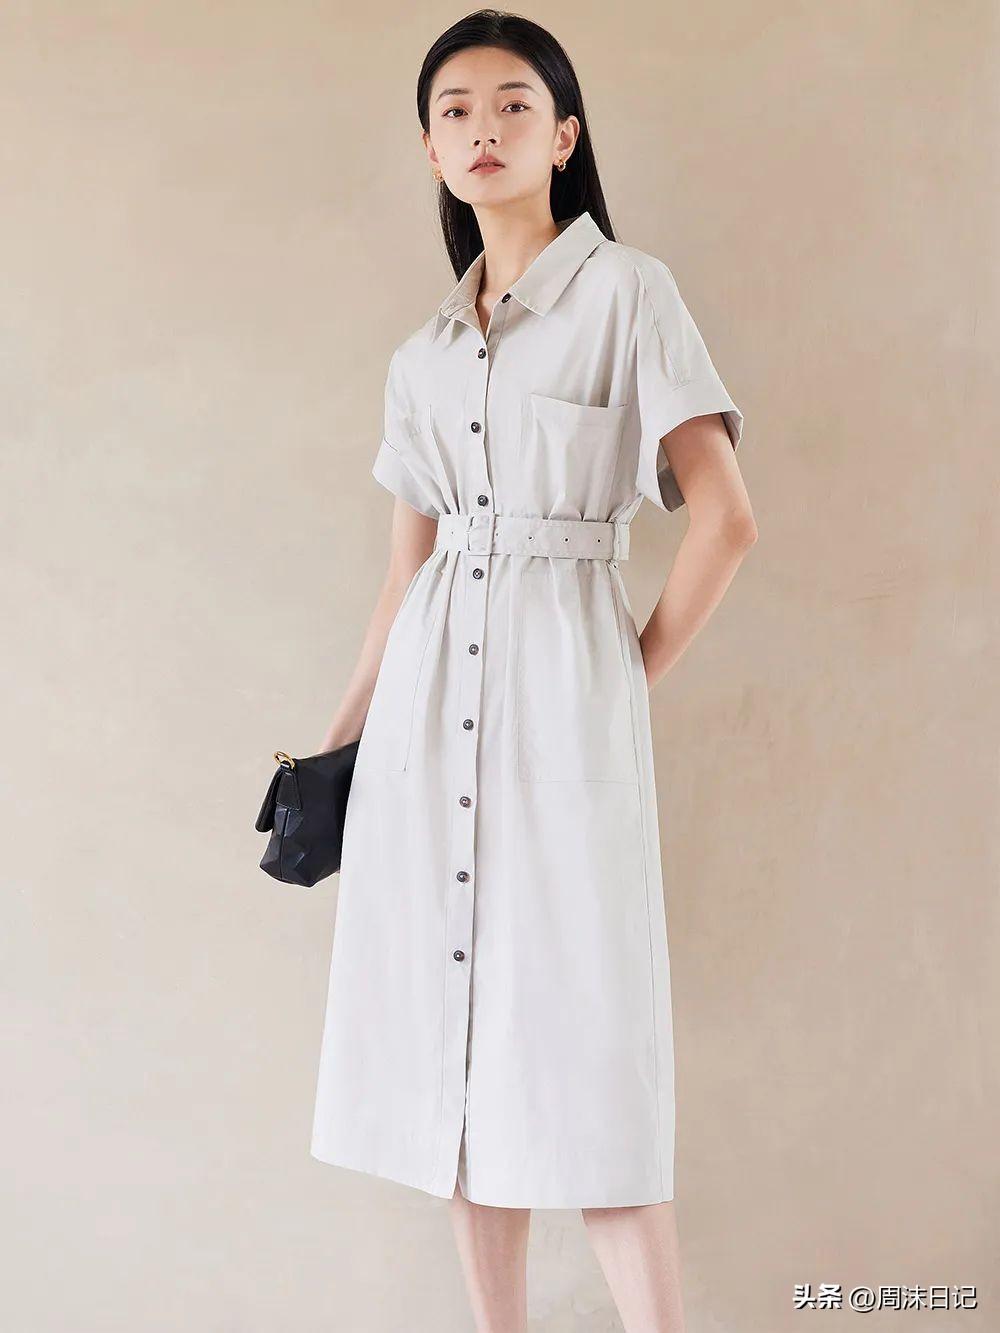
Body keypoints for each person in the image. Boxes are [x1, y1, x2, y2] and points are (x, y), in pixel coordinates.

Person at [310, 10, 757, 1331]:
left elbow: (725, 518)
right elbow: (404, 580)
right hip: (424, 727)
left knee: (592, 1060)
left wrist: (620, 680)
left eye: (513, 104)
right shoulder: (423, 356)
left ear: (565, 136)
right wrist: (331, 754)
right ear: (430, 149)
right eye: (454, 110)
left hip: (563, 711)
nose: (483, 129)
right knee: (454, 1061)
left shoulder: (630, 293)